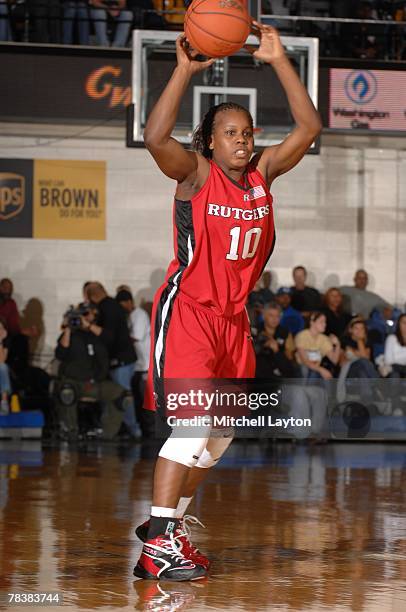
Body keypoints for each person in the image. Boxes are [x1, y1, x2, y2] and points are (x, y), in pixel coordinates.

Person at [133, 22, 321, 581]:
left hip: (233, 323)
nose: (243, 139)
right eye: (231, 132)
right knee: (190, 429)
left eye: (247, 131)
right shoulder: (194, 175)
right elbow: (154, 138)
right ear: (211, 141)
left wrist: (280, 60)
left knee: (215, 440)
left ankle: (168, 534)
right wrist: (185, 69)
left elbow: (309, 126)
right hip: (189, 312)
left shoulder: (263, 175)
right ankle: (157, 543)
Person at [55, 304, 126, 439]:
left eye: (86, 314)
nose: (83, 318)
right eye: (82, 315)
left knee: (122, 394)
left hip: (94, 383)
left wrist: (87, 325)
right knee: (67, 392)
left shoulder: (96, 335)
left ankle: (107, 433)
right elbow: (60, 354)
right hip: (73, 382)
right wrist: (68, 328)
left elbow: (109, 340)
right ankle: (71, 431)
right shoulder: (70, 335)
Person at [85, 282, 140, 439]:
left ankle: (134, 430)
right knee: (120, 395)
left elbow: (108, 336)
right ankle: (127, 429)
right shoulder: (113, 306)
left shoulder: (106, 308)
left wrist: (89, 326)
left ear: (92, 296)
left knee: (123, 396)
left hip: (121, 360)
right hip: (122, 359)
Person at [116, 289, 153, 437]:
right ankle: (144, 430)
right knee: (138, 400)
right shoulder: (129, 316)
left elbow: (135, 337)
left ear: (130, 302)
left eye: (122, 304)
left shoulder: (140, 315)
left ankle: (150, 432)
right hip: (137, 365)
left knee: (146, 400)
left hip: (145, 365)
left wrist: (117, 342)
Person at [254, 302, 297, 379]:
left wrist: (276, 350)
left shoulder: (285, 333)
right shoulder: (255, 331)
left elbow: (290, 359)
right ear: (264, 316)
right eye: (271, 315)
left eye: (277, 316)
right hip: (259, 371)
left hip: (279, 369)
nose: (275, 319)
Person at [295, 312, 341, 381]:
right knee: (311, 371)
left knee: (323, 375)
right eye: (321, 322)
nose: (325, 324)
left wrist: (337, 345)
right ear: (312, 322)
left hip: (316, 369)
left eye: (325, 322)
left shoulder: (324, 339)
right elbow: (305, 361)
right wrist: (322, 370)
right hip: (301, 368)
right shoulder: (302, 336)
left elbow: (334, 361)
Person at [0, 318, 12, 415]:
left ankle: (4, 402)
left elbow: (2, 359)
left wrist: (0, 341)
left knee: (3, 367)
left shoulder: (6, 341)